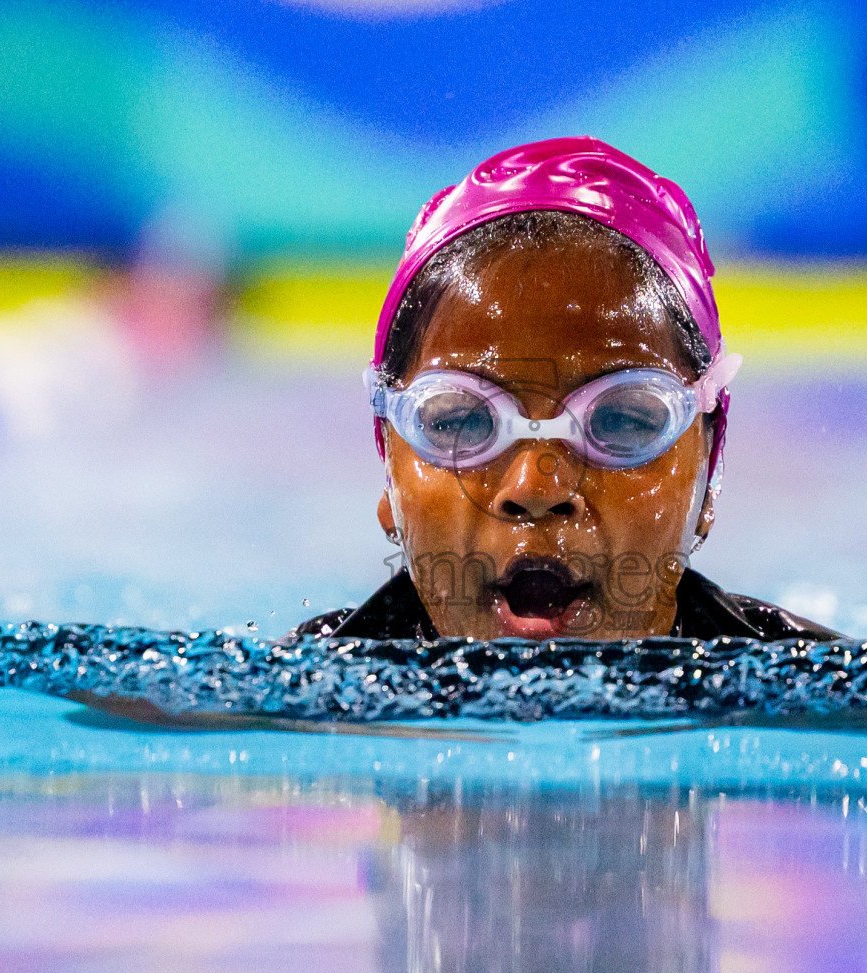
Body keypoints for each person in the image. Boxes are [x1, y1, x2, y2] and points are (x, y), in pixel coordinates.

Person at [299, 137, 839, 643]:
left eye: (621, 421)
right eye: (461, 423)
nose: (535, 488)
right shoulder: (299, 695)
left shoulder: (822, 692)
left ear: (707, 468)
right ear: (390, 469)